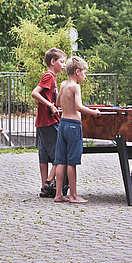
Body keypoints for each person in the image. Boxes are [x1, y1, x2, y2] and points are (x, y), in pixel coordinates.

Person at [54, 56, 100, 204]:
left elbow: (57, 102)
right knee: (72, 162)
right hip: (73, 126)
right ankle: (73, 195)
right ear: (77, 71)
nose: (84, 76)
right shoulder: (75, 87)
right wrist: (94, 112)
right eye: (84, 73)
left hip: (62, 124)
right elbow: (79, 106)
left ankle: (58, 194)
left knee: (61, 161)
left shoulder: (63, 84)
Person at [31, 48, 66, 198]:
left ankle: (44, 188)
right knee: (61, 151)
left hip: (42, 122)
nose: (64, 65)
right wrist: (50, 106)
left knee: (44, 156)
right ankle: (49, 182)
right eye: (62, 62)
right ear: (53, 62)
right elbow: (35, 93)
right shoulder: (49, 76)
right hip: (48, 121)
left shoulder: (53, 77)